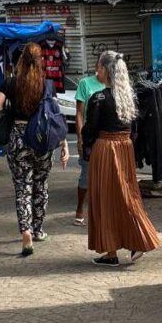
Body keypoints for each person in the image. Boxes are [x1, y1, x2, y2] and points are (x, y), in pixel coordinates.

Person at [0, 42, 70, 257]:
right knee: (40, 185)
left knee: (22, 186)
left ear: (21, 61)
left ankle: (26, 231)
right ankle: (38, 229)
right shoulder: (47, 85)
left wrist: (10, 107)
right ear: (40, 61)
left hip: (18, 139)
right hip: (42, 140)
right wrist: (64, 145)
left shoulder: (11, 83)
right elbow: (55, 116)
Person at [84, 50, 160, 267]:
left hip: (105, 149)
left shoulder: (99, 98)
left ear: (105, 70)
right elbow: (134, 130)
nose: (96, 71)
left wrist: (87, 144)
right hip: (125, 148)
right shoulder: (129, 97)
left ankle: (112, 251)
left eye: (99, 67)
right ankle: (134, 240)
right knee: (127, 195)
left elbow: (89, 130)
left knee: (105, 199)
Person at [73, 69, 106, 225]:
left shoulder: (114, 84)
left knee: (105, 176)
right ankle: (80, 208)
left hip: (107, 136)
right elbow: (79, 113)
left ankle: (101, 212)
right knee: (86, 175)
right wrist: (80, 138)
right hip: (90, 137)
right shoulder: (85, 84)